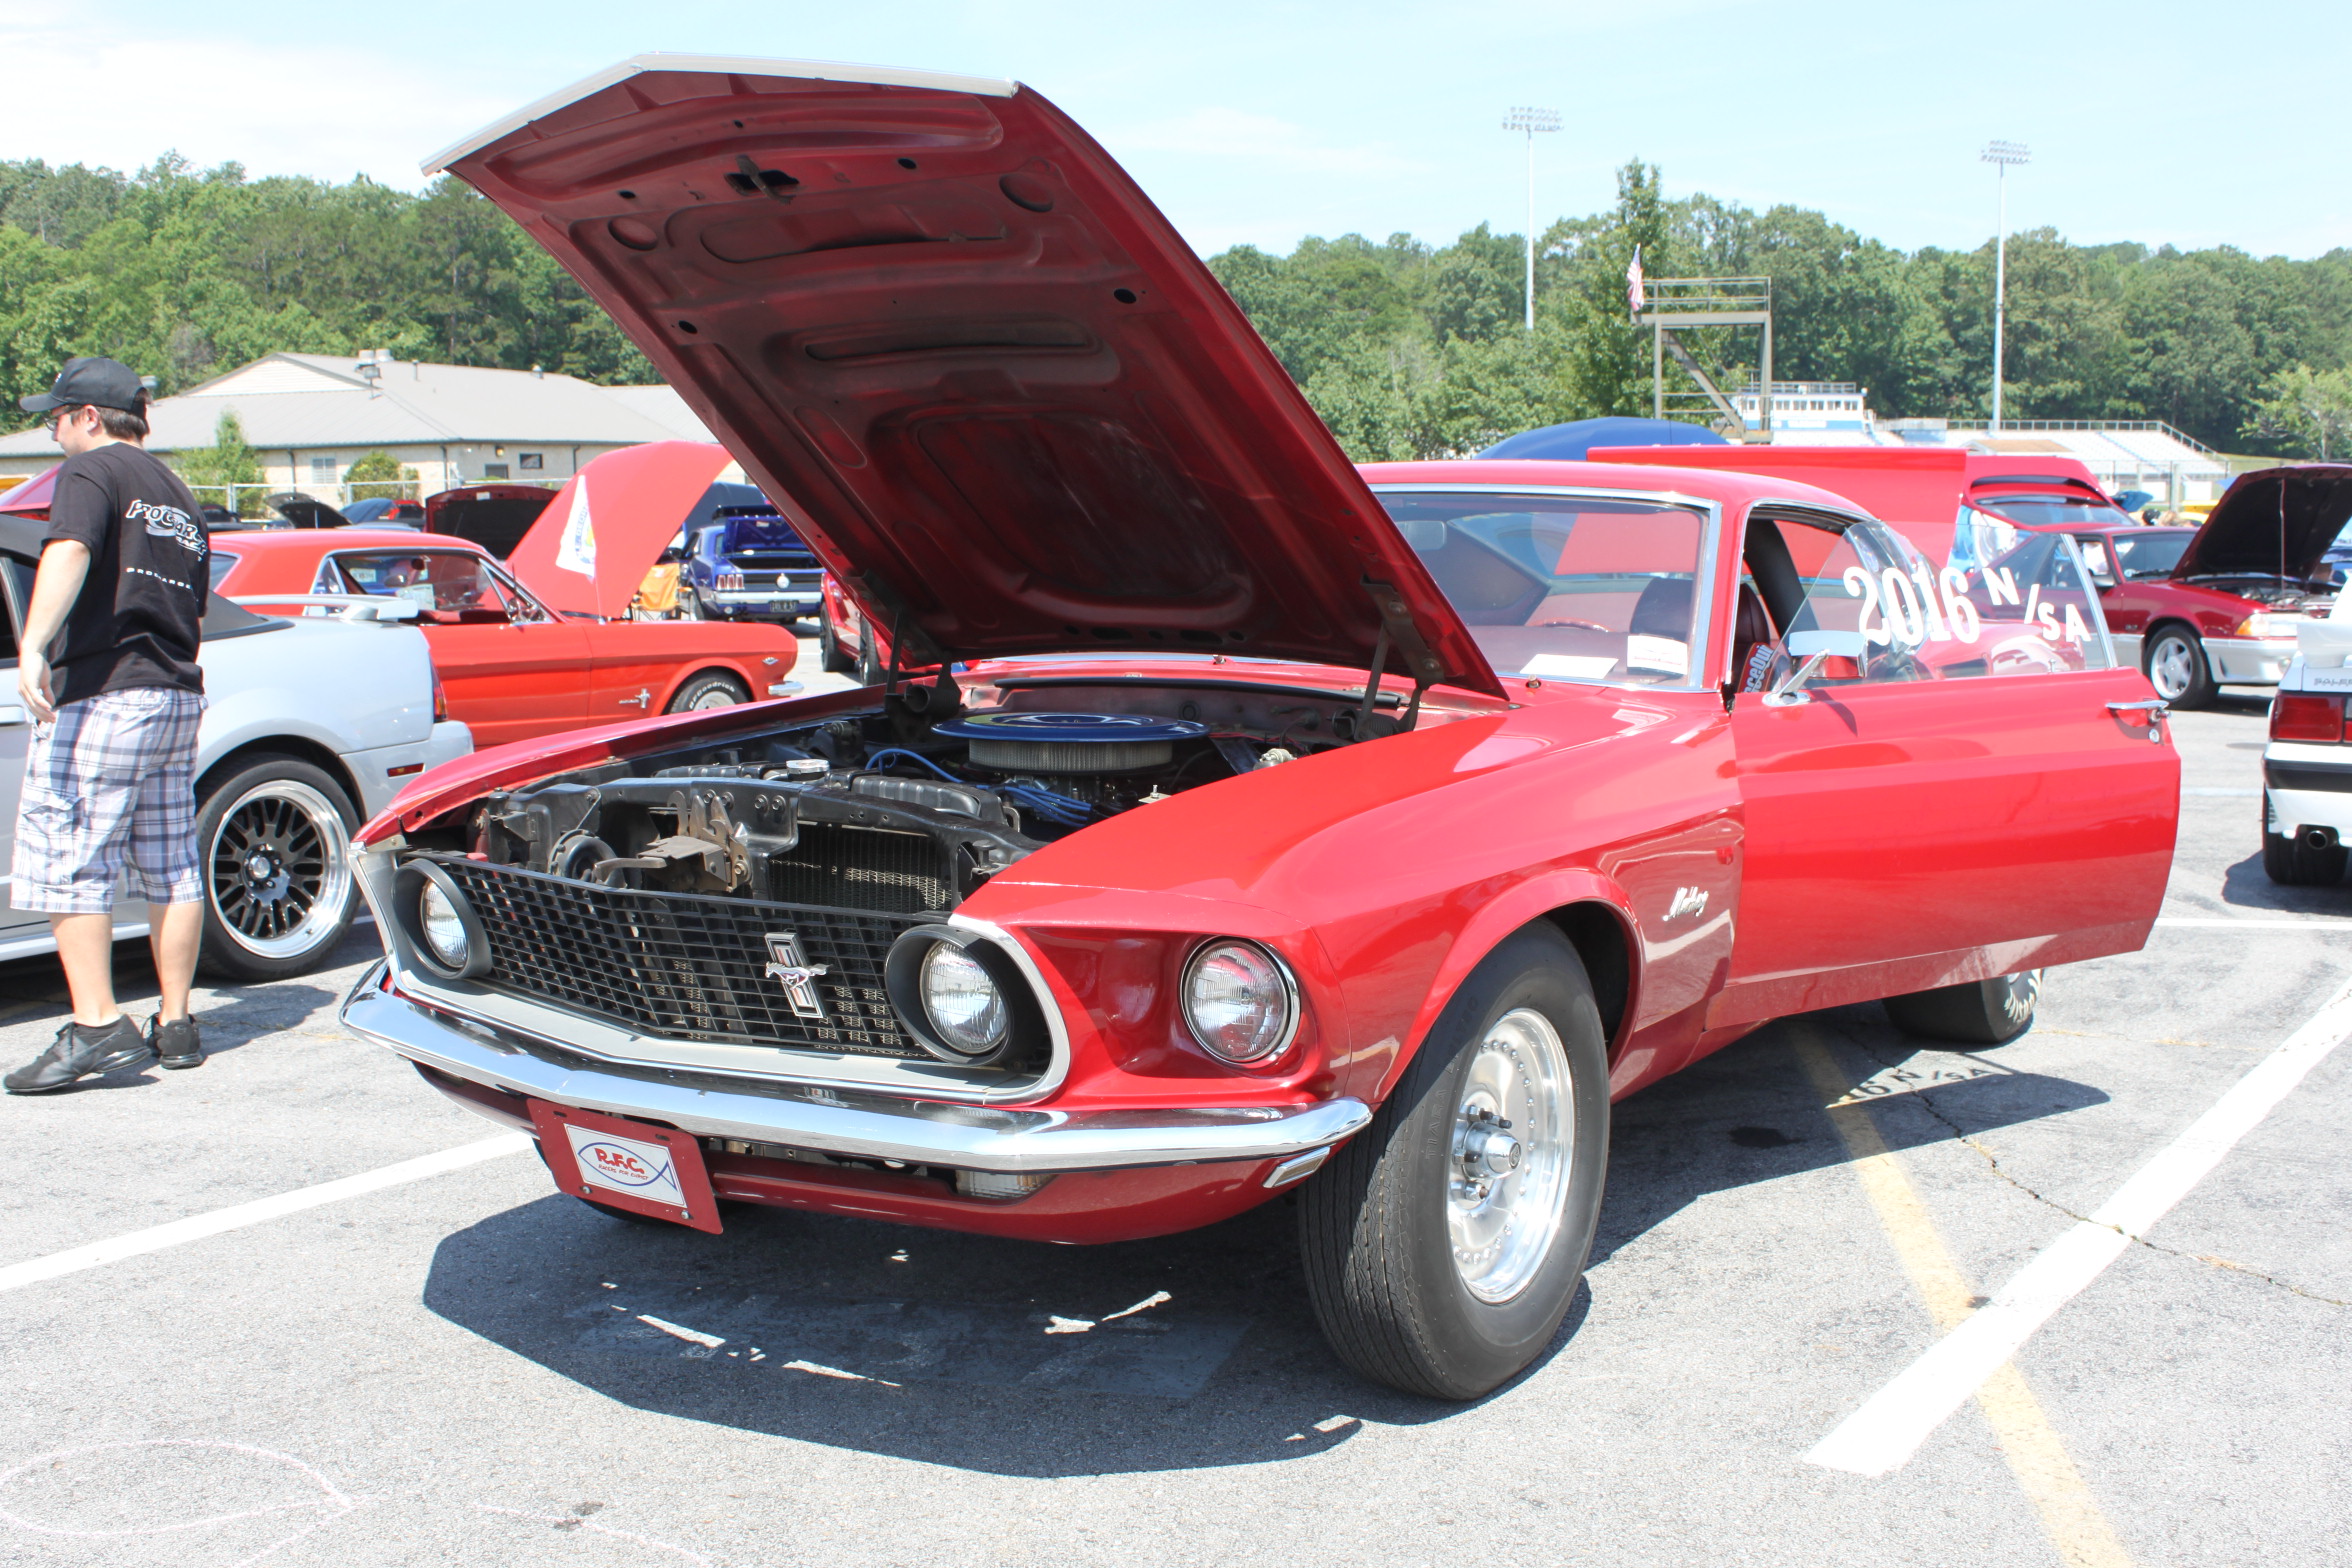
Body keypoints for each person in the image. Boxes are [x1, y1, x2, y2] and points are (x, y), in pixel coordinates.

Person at [4, 357, 212, 1094]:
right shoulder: (177, 494)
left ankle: (95, 1027)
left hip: (106, 691)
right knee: (171, 861)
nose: (51, 429)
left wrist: (31, 646)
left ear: (89, 417)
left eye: (55, 416)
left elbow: (69, 550)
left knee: (68, 858)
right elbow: (193, 604)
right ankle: (177, 1023)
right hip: (175, 692)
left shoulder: (92, 473)